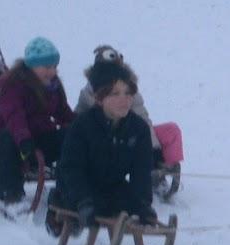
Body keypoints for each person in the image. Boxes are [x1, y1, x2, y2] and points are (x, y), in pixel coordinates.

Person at [54, 57, 157, 229]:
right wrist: (83, 201)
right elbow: (71, 168)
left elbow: (142, 171)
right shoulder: (82, 126)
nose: (124, 100)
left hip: (112, 187)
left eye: (128, 93)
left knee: (130, 203)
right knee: (86, 203)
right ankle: (59, 203)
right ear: (99, 98)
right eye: (115, 94)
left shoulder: (139, 129)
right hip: (79, 188)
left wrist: (143, 204)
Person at [74, 44, 184, 183]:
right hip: (110, 142)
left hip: (135, 134)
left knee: (171, 131)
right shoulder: (89, 94)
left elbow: (142, 118)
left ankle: (164, 168)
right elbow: (78, 121)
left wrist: (153, 148)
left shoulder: (130, 91)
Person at [0, 37, 73, 203]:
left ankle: (69, 190)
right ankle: (10, 193)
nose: (52, 72)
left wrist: (81, 128)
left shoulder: (53, 85)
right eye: (46, 67)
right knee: (7, 139)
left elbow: (63, 113)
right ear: (32, 66)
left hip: (42, 136)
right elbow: (14, 115)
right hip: (16, 138)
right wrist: (24, 140)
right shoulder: (11, 84)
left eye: (54, 67)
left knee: (72, 137)